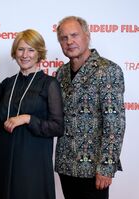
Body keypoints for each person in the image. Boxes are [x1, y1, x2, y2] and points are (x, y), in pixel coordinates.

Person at [55, 16, 126, 199]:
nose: (69, 41)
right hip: (66, 165)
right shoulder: (60, 73)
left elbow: (114, 123)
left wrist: (107, 167)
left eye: (74, 35)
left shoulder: (108, 70)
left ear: (87, 36)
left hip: (93, 168)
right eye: (64, 38)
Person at [0, 29, 64, 199]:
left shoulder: (49, 84)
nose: (25, 55)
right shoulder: (7, 84)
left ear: (39, 53)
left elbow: (58, 127)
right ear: (14, 52)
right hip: (4, 161)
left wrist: (27, 118)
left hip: (32, 163)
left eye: (31, 50)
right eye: (21, 49)